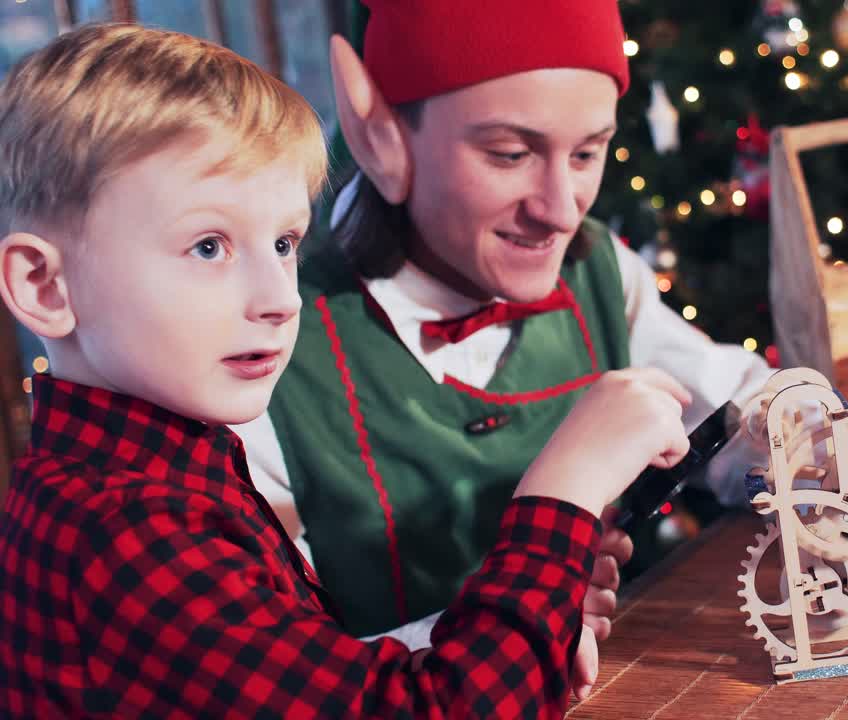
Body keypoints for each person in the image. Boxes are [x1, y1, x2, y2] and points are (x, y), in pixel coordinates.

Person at [234, 0, 848, 700]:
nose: (560, 208)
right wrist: (518, 618)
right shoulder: (263, 346)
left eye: (587, 154)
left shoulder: (597, 270)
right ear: (385, 139)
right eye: (508, 154)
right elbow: (290, 682)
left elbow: (738, 427)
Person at [0, 23, 693, 717]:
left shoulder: (167, 473)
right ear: (44, 286)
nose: (278, 299)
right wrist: (568, 486)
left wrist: (516, 634)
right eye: (209, 247)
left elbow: (321, 680)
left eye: (284, 244)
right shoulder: (128, 531)